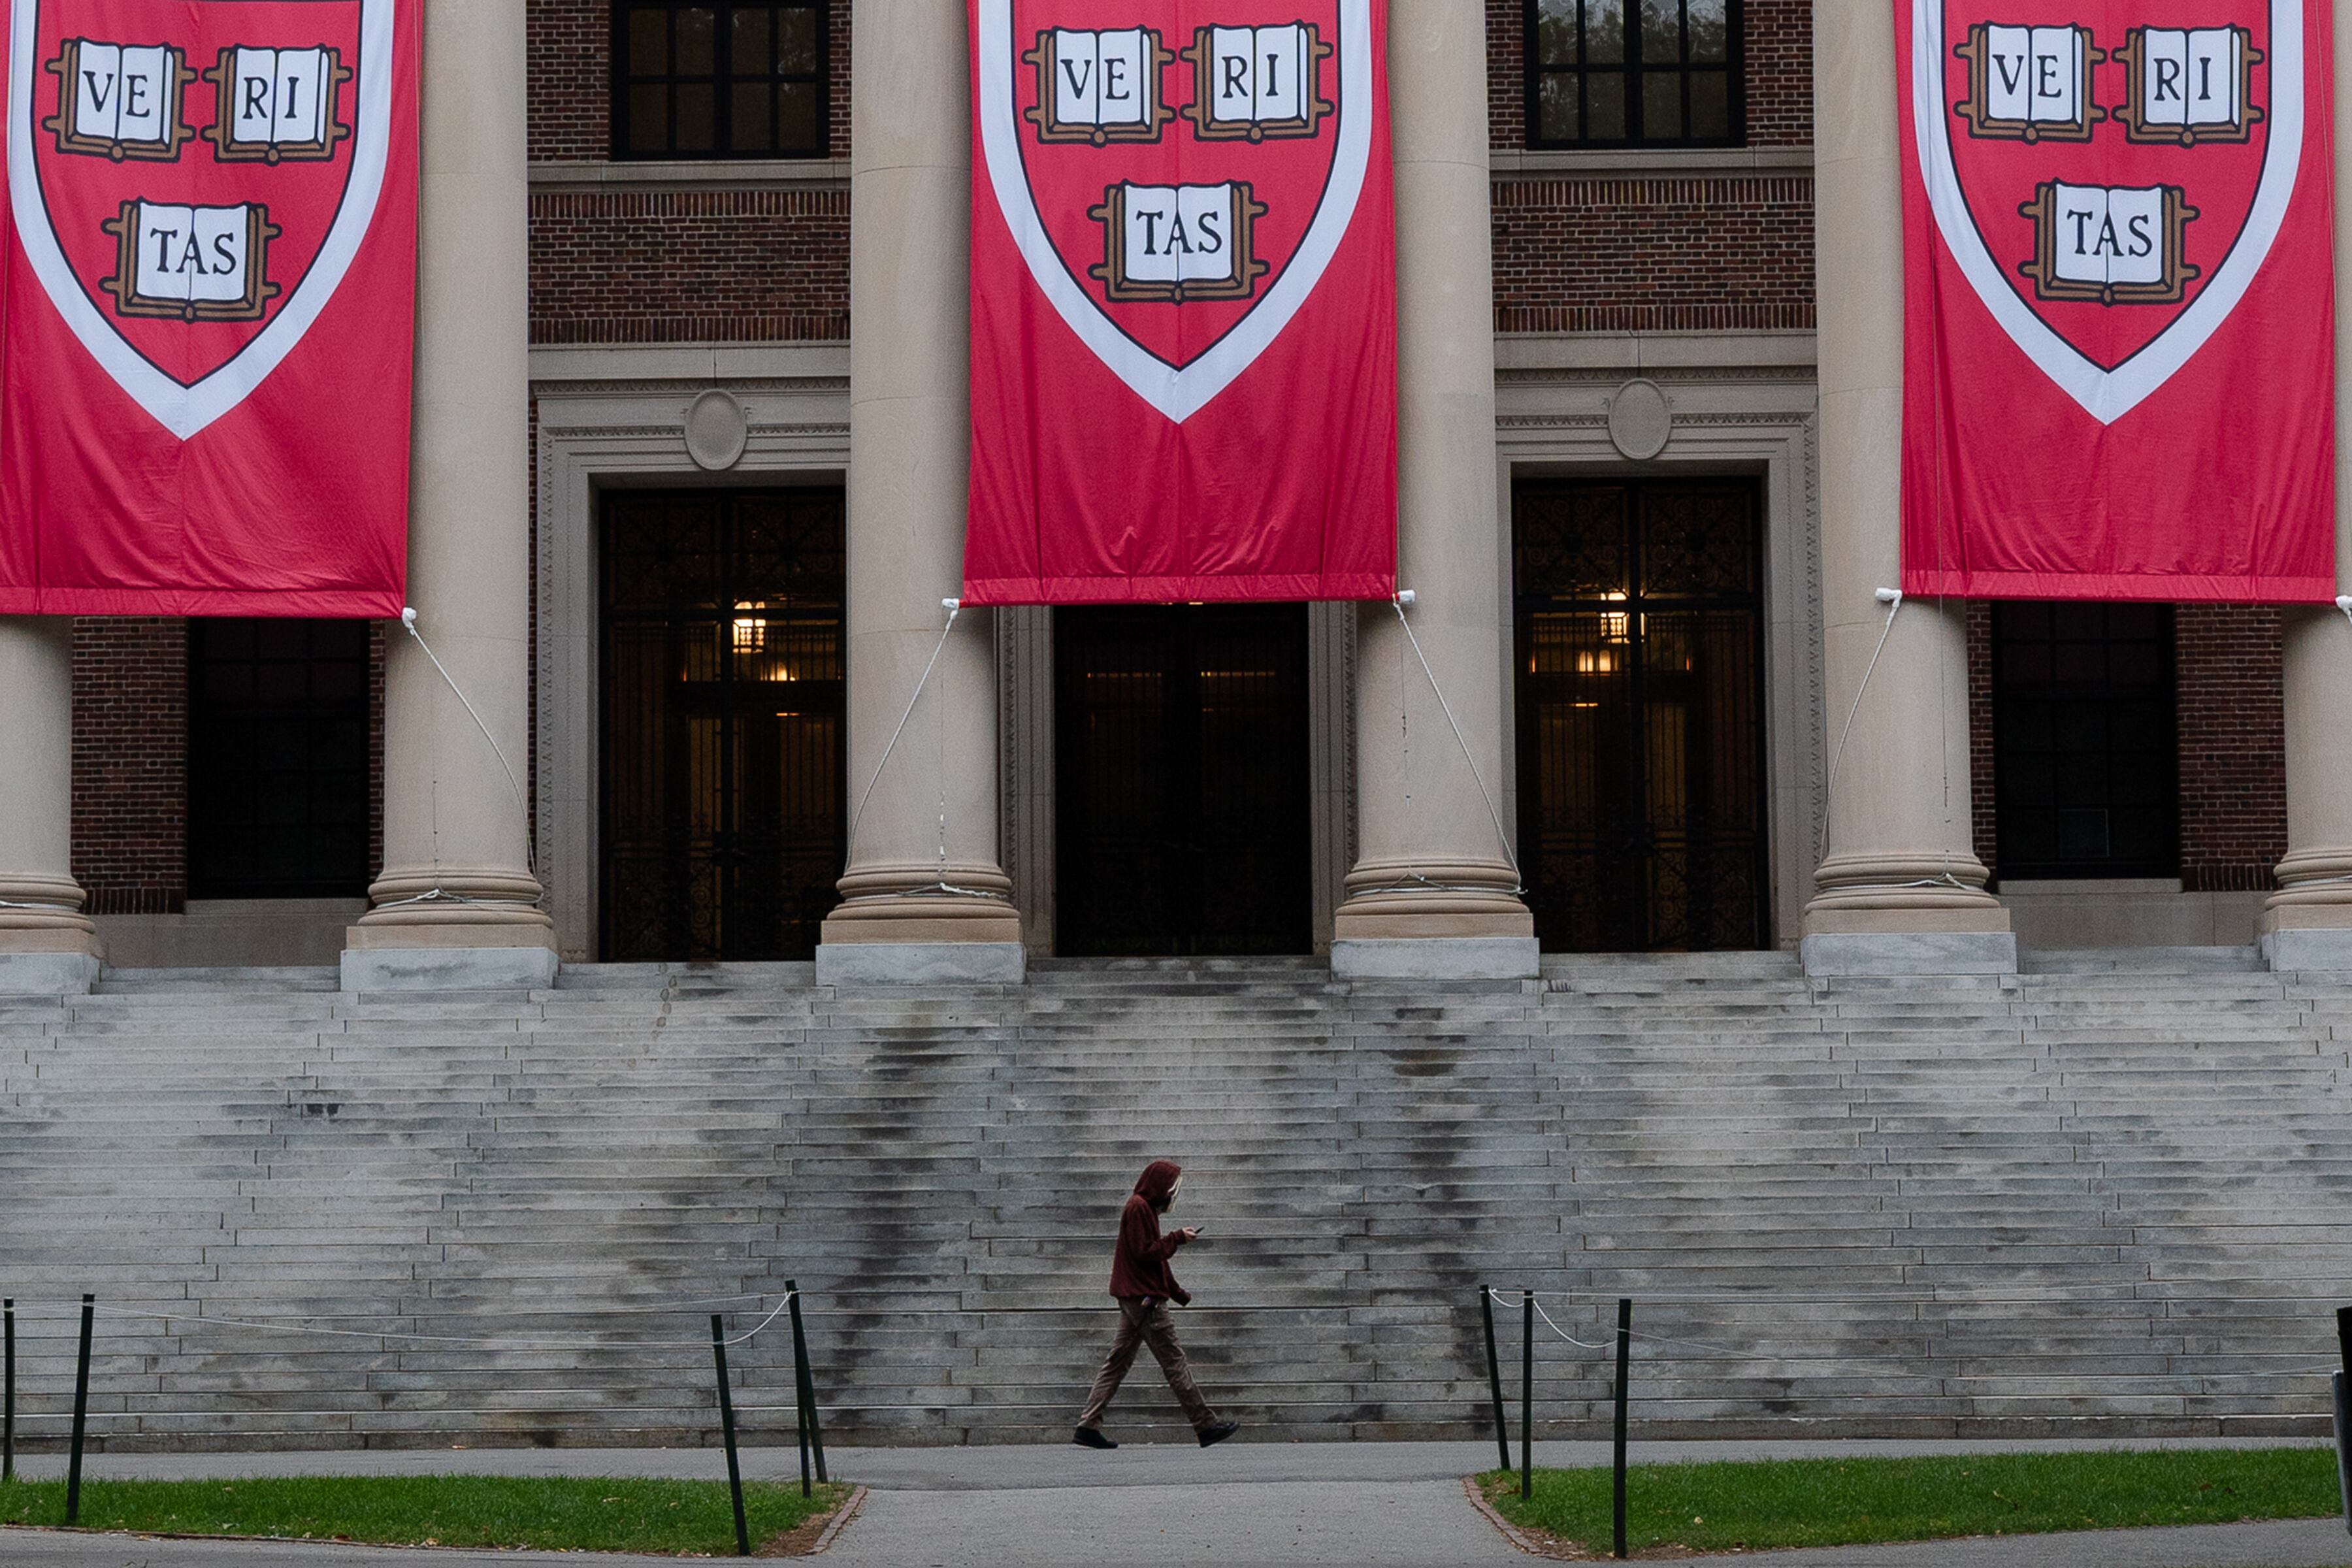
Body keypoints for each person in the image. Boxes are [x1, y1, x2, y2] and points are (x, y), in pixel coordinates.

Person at [1072, 1158, 1239, 1449]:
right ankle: (1205, 1424)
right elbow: (1145, 1253)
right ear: (1160, 1186)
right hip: (1145, 1301)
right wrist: (1177, 1239)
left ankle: (1088, 1425)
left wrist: (1177, 1292)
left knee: (1117, 1363)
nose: (1173, 1195)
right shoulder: (1138, 1208)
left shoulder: (1143, 1208)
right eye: (1172, 1189)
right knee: (1174, 1361)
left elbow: (1155, 1260)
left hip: (1136, 1296)